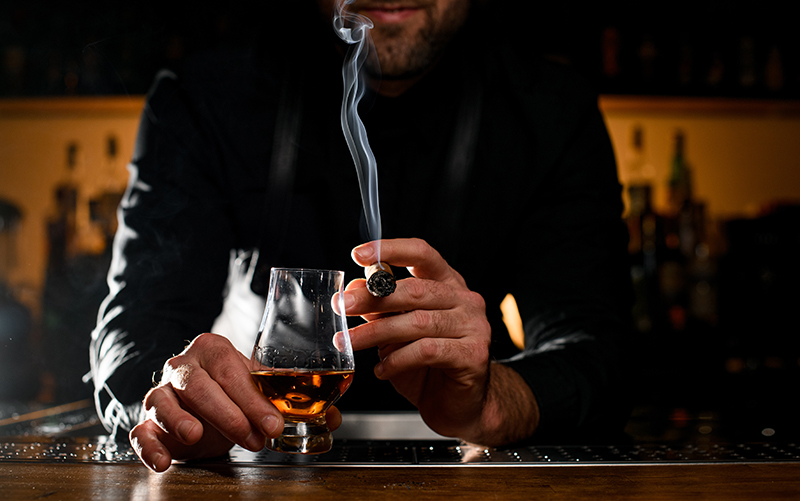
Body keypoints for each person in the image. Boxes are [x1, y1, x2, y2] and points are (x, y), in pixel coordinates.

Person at [90, 0, 632, 472]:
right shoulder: (205, 98)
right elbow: (136, 325)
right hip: (250, 465)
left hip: (469, 474)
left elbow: (598, 351)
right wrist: (184, 406)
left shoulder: (550, 110)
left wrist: (492, 403)